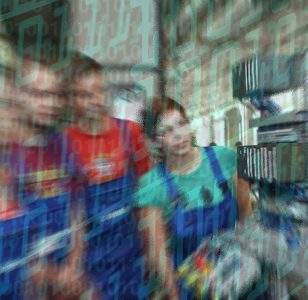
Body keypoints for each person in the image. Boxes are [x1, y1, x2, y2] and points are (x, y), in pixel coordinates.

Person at [134, 97, 252, 299]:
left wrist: (248, 263)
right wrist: (174, 295)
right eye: (167, 131)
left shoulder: (225, 159)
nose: (178, 135)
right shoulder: (152, 186)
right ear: (155, 141)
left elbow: (246, 215)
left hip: (235, 277)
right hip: (187, 287)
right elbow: (159, 254)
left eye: (180, 124)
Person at [1, 52, 93, 299]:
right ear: (17, 95)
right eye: (40, 95)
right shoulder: (7, 156)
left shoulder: (62, 145)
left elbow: (77, 214)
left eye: (55, 94)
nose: (51, 103)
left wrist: (73, 269)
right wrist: (54, 277)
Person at [64, 53, 152, 299]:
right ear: (71, 99)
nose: (95, 100)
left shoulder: (130, 132)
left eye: (99, 91)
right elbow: (68, 214)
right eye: (84, 94)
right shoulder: (65, 142)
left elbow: (148, 198)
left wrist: (151, 249)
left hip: (132, 255)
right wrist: (73, 267)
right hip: (90, 263)